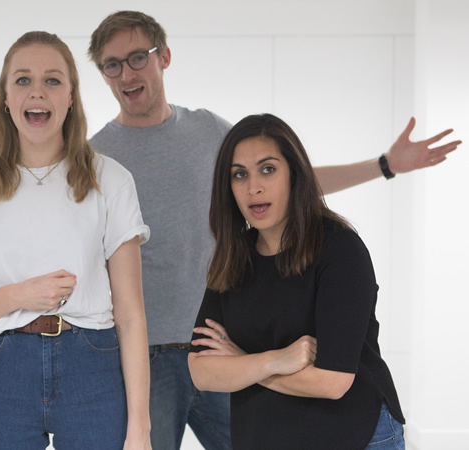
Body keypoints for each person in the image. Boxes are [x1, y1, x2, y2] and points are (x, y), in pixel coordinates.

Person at [86, 10, 460, 450]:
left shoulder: (208, 132)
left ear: (164, 56)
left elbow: (287, 183)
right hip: (150, 352)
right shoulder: (94, 157)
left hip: (231, 341)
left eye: (137, 57)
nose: (126, 73)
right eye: (112, 64)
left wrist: (383, 166)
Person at [0, 31, 151, 449]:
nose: (37, 92)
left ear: (71, 96)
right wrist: (21, 294)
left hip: (92, 364)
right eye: (23, 80)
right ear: (6, 97)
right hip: (1, 368)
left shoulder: (112, 180)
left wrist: (140, 428)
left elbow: (132, 315)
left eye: (52, 80)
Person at [187, 113, 405, 450]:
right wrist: (275, 360)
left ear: (295, 175)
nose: (253, 186)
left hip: (353, 436)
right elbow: (202, 371)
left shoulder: (340, 250)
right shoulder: (233, 256)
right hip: (265, 437)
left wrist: (240, 362)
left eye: (268, 169)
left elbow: (333, 382)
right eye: (239, 175)